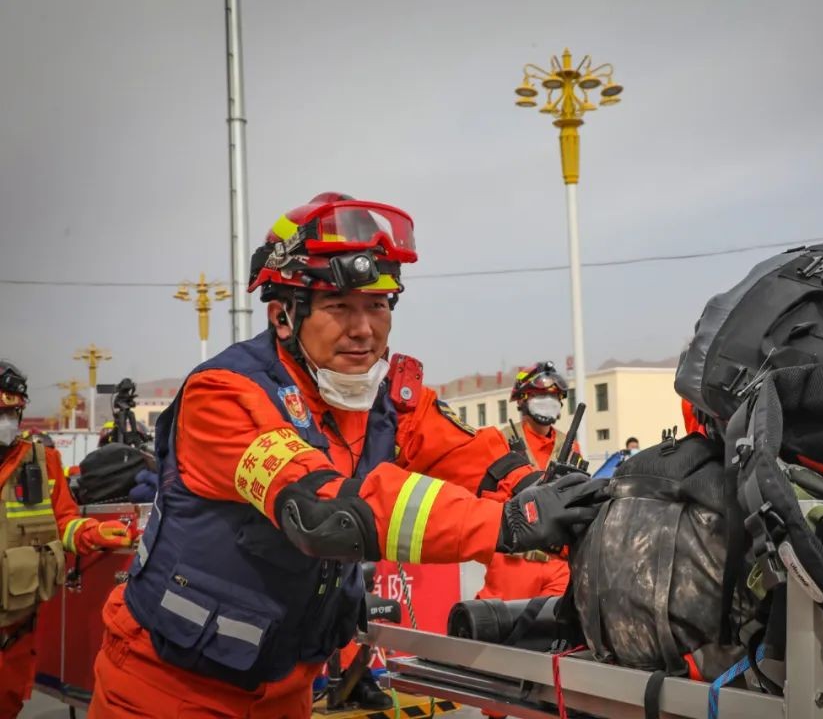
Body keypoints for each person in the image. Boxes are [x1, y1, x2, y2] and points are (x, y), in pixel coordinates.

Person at [87, 193, 605, 718]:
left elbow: (478, 458)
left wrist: (548, 494)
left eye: (378, 305)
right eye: (339, 307)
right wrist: (512, 523)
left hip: (288, 689)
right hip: (165, 688)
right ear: (283, 316)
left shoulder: (383, 398)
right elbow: (323, 516)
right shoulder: (225, 396)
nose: (364, 330)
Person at [0, 362, 133, 718]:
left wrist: (94, 532)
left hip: (13, 631)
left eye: (12, 411)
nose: (6, 420)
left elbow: (62, 523)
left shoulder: (43, 463)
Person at [476, 362, 580, 601]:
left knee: (558, 632)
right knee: (502, 631)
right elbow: (487, 503)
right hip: (513, 564)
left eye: (554, 396)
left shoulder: (571, 446)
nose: (548, 400)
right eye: (540, 395)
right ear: (522, 399)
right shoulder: (500, 442)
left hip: (558, 566)